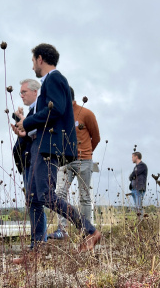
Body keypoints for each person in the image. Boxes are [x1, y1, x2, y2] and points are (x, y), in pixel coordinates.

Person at [11, 43, 101, 263]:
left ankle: (90, 232)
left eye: (33, 61)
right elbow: (48, 113)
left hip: (48, 148)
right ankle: (36, 251)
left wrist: (28, 121)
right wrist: (26, 128)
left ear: (40, 59)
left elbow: (57, 108)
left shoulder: (54, 78)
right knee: (33, 198)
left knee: (46, 196)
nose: (33, 66)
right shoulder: (50, 82)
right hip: (39, 145)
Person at [48, 87, 100, 240]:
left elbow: (96, 137)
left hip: (84, 161)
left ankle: (87, 230)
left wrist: (87, 153)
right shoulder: (58, 116)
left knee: (84, 196)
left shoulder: (86, 113)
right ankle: (62, 230)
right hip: (64, 161)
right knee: (59, 193)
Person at [12, 79, 47, 240]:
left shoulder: (40, 110)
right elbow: (29, 131)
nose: (21, 96)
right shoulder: (33, 111)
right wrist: (19, 118)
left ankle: (39, 243)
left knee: (36, 202)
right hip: (28, 162)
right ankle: (38, 243)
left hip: (34, 161)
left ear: (35, 92)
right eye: (20, 92)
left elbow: (34, 133)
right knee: (33, 202)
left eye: (24, 92)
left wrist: (23, 127)